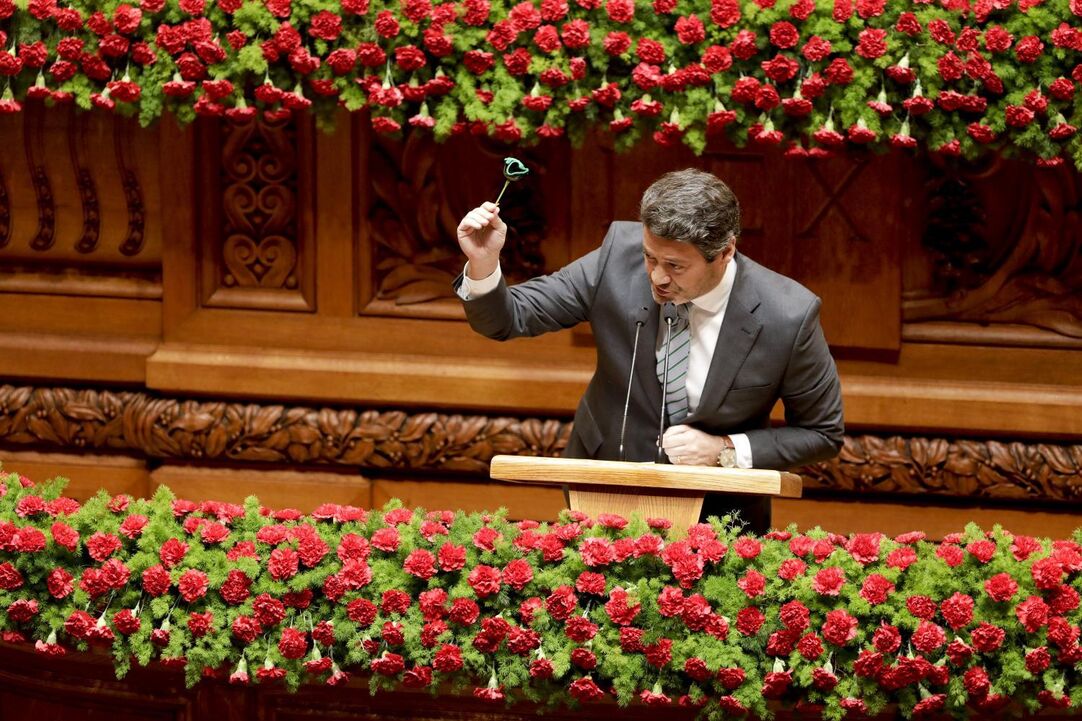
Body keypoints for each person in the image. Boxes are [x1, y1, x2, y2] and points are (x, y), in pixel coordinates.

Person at [454, 168, 844, 533]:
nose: (657, 277)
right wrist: (483, 264)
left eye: (675, 266)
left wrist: (724, 449)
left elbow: (822, 433)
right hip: (602, 492)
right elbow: (509, 318)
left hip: (721, 515)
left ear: (725, 252)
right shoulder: (616, 259)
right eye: (650, 257)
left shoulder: (787, 315)